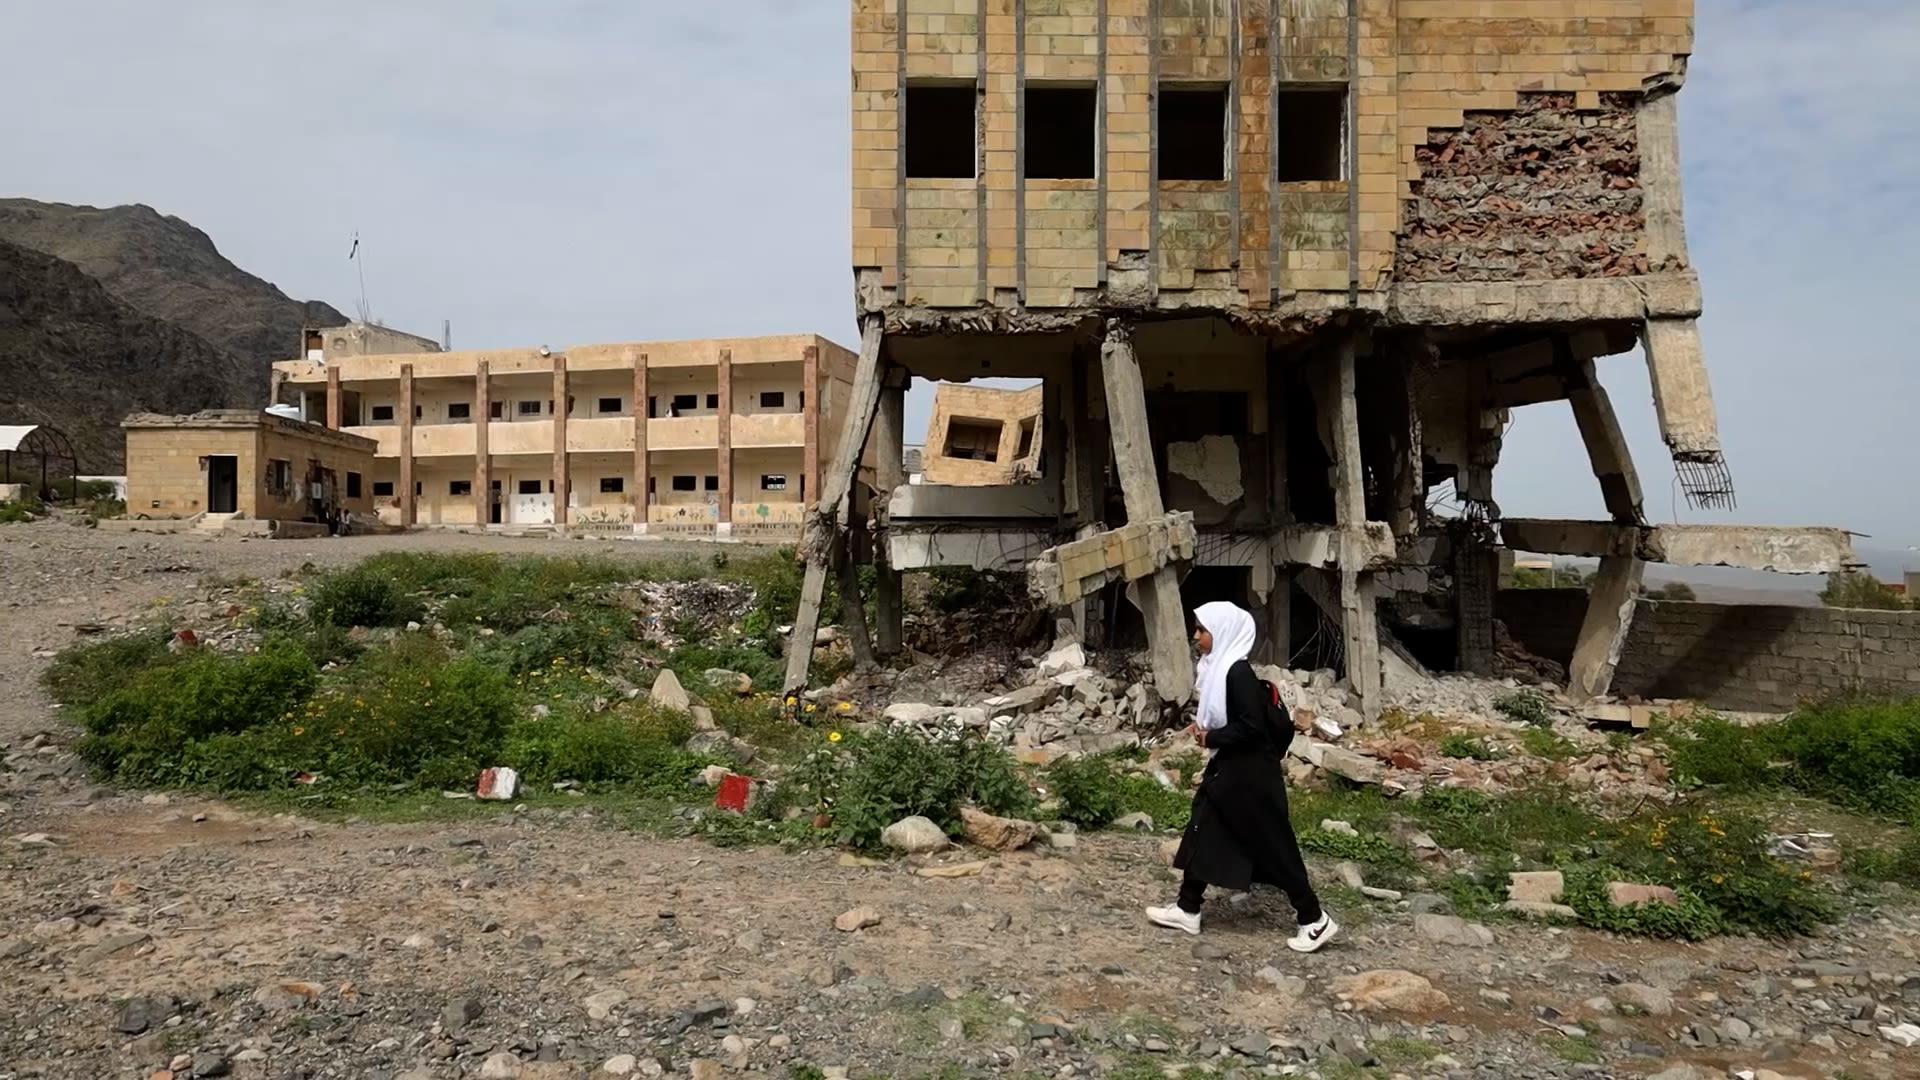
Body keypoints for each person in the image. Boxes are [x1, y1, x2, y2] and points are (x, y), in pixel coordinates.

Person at [1146, 601, 1337, 952]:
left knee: (1274, 845)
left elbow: (1251, 726)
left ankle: (1314, 918)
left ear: (1222, 633)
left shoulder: (1236, 673)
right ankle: (1188, 907)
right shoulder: (1222, 670)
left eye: (1202, 630)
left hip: (1250, 777)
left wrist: (1212, 738)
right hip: (1233, 769)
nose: (1196, 636)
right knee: (1204, 824)